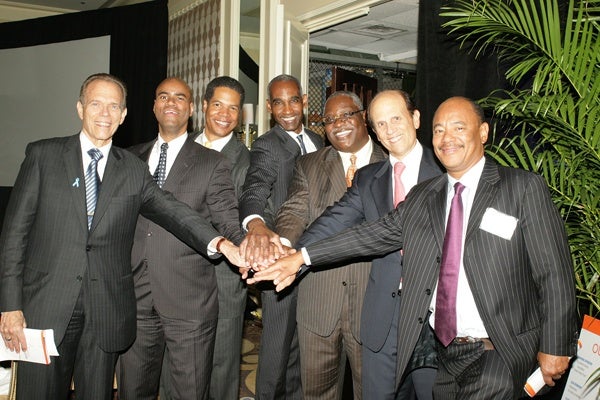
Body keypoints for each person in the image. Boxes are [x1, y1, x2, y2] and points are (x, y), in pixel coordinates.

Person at [249, 96, 578, 399]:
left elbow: (554, 272)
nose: (447, 138)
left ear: (483, 132)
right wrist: (300, 257)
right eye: (440, 130)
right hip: (445, 351)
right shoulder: (426, 196)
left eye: (458, 128)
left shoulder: (521, 188)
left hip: (499, 351)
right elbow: (369, 234)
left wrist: (555, 343)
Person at [0, 73, 243, 400]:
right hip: (46, 308)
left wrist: (220, 242)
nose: (104, 113)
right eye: (96, 104)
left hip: (106, 313)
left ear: (124, 115)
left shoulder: (131, 168)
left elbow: (172, 210)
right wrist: (10, 307)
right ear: (80, 108)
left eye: (114, 106)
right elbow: (14, 236)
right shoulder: (43, 156)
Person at [116, 77, 244, 400]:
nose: (171, 102)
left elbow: (227, 222)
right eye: (163, 96)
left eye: (179, 98)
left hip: (189, 302)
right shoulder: (128, 159)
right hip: (136, 298)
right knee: (134, 391)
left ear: (191, 109)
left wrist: (248, 246)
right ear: (154, 107)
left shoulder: (213, 163)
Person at [276, 91, 386, 399]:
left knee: (374, 392)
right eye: (329, 120)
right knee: (316, 393)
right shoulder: (308, 165)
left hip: (373, 305)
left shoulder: (390, 164)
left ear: (363, 117)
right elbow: (294, 211)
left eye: (346, 115)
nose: (337, 124)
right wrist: (284, 246)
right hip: (318, 302)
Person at [239, 74, 323, 399]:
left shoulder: (319, 141)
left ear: (303, 101)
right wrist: (255, 223)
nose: (287, 109)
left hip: (313, 259)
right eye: (278, 102)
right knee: (276, 348)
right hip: (279, 261)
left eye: (293, 100)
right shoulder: (267, 145)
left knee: (302, 348)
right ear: (270, 108)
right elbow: (255, 186)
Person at [195, 76, 250, 400]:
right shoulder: (180, 148)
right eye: (218, 104)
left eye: (233, 108)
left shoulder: (246, 160)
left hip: (222, 276)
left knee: (222, 362)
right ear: (204, 106)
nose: (225, 114)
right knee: (178, 357)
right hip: (175, 274)